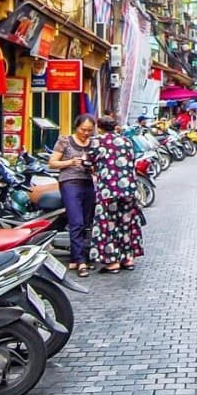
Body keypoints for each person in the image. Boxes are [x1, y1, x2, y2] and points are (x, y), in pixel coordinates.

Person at [86, 116, 144, 273]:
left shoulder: (98, 141)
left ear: (100, 127)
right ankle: (128, 258)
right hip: (129, 188)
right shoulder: (126, 141)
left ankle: (112, 262)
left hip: (108, 190)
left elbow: (87, 161)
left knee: (109, 224)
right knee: (126, 223)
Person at [47, 113, 97, 277]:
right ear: (77, 127)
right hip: (69, 183)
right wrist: (71, 162)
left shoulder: (94, 143)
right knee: (76, 221)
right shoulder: (65, 141)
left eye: (90, 130)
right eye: (83, 130)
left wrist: (91, 167)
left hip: (88, 183)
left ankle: (78, 257)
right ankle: (81, 261)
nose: (86, 133)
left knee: (87, 221)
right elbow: (52, 163)